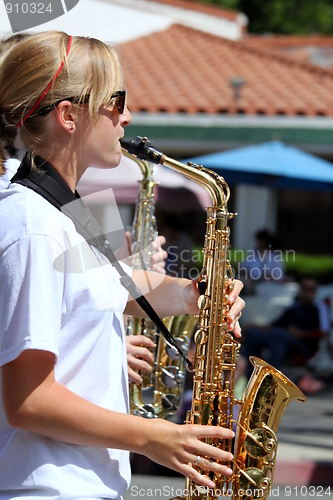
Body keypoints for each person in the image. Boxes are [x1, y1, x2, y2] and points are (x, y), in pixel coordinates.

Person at [0, 31, 245, 498]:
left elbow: (117, 282)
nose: (127, 117)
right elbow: (27, 401)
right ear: (68, 115)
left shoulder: (66, 208)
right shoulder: (32, 223)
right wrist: (153, 437)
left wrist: (195, 294)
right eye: (116, 101)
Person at [236, 275, 329, 392]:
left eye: (310, 289)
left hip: (305, 346)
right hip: (283, 340)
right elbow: (274, 325)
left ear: (315, 292)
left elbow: (324, 332)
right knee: (253, 334)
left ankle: (270, 381)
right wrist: (254, 327)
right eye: (304, 288)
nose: (306, 292)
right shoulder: (293, 308)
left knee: (278, 336)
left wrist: (302, 333)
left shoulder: (319, 308)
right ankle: (253, 380)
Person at [239, 228, 285, 294]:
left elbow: (279, 276)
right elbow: (243, 267)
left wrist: (271, 276)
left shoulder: (274, 256)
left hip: (267, 287)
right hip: (252, 284)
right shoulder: (252, 254)